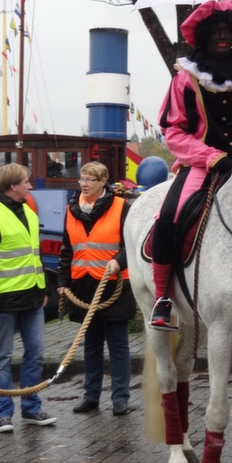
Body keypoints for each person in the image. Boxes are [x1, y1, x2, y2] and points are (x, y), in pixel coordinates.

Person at [150, 0, 232, 328]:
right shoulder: (186, 77)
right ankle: (162, 297)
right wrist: (209, 156)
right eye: (216, 30)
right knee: (169, 217)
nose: (222, 35)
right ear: (204, 35)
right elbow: (173, 131)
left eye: (227, 30)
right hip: (200, 161)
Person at [0, 163, 56, 433]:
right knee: (2, 358)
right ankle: (4, 414)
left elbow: (35, 256)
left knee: (35, 355)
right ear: (13, 186)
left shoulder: (29, 214)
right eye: (26, 182)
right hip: (2, 302)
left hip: (32, 299)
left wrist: (43, 291)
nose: (30, 186)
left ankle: (31, 409)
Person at [57, 161, 135, 415]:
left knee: (118, 344)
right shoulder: (72, 208)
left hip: (113, 286)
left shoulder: (122, 207)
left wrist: (118, 260)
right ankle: (91, 395)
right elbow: (67, 249)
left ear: (103, 182)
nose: (84, 184)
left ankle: (120, 396)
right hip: (83, 284)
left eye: (90, 179)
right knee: (90, 344)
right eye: (82, 179)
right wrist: (62, 283)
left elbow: (130, 244)